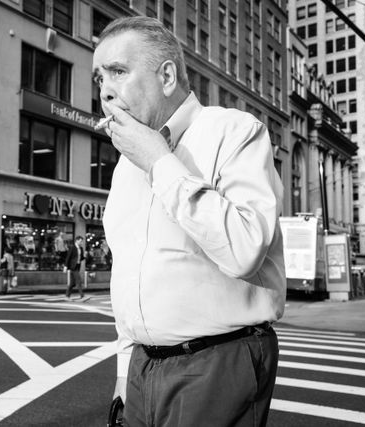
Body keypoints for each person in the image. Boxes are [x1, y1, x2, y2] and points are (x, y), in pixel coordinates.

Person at [93, 17, 286, 426]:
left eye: (118, 72)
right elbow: (130, 276)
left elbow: (245, 249)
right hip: (142, 369)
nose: (105, 90)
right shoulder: (125, 166)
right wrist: (123, 375)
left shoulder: (234, 130)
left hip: (217, 360)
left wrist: (159, 161)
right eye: (99, 78)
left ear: (166, 76)